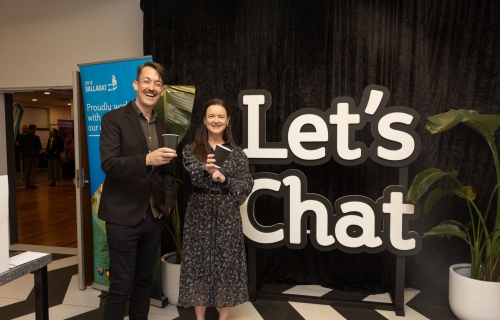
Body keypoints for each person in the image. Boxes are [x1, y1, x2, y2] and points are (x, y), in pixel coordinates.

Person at [98, 61, 176, 320]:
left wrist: (167, 205)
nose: (151, 87)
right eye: (146, 81)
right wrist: (146, 159)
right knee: (121, 286)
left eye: (157, 84)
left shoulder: (163, 126)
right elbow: (109, 164)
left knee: (144, 282)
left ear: (162, 91)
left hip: (153, 218)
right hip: (122, 218)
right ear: (136, 84)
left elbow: (167, 172)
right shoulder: (114, 119)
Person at [178, 99, 253, 320]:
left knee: (225, 267)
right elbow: (195, 177)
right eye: (211, 116)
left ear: (228, 120)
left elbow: (246, 185)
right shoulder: (192, 149)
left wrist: (225, 178)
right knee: (199, 267)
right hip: (198, 214)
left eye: (221, 116)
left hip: (227, 214)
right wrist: (206, 169)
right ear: (204, 120)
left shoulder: (237, 153)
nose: (216, 120)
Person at [18, 124, 42, 189]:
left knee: (27, 169)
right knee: (34, 170)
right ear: (34, 129)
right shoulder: (36, 137)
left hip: (26, 156)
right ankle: (32, 184)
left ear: (28, 128)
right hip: (34, 156)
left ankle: (27, 183)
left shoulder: (22, 136)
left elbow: (20, 146)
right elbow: (39, 147)